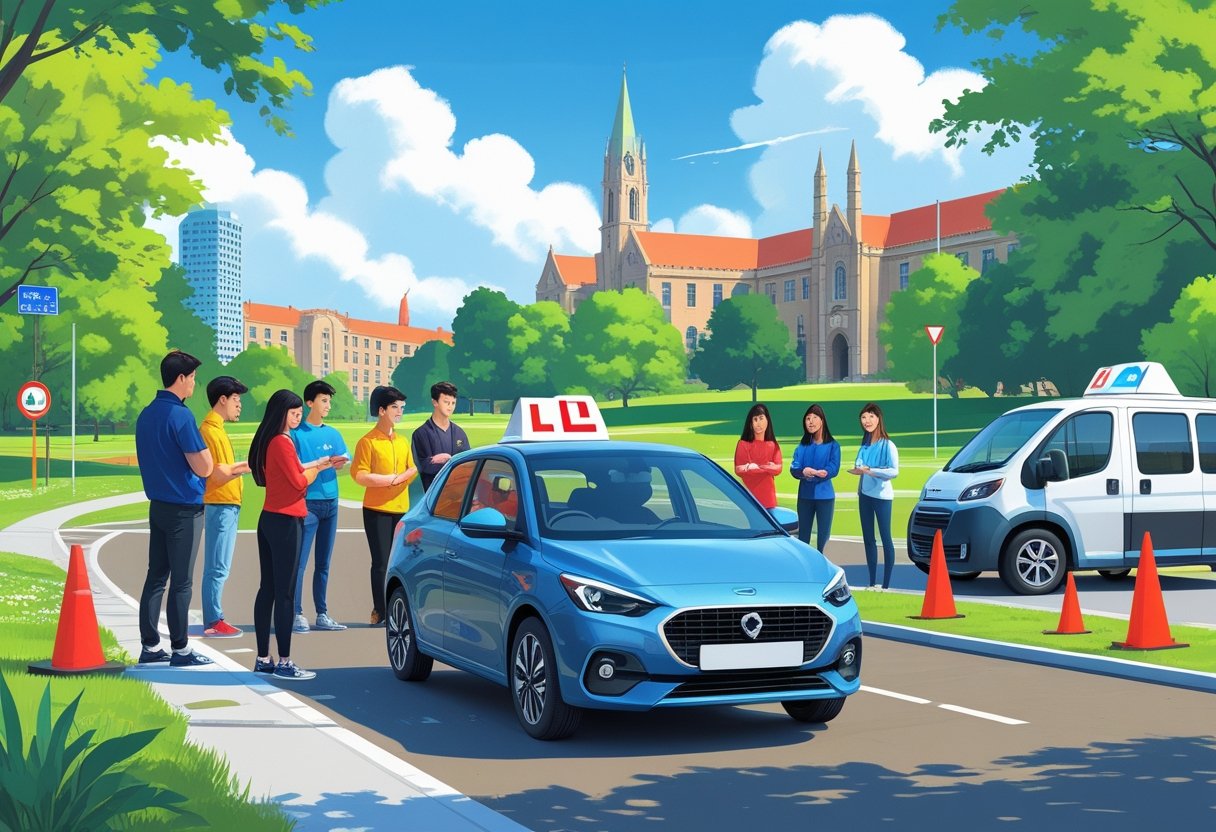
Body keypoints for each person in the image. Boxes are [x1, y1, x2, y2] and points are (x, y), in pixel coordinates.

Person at [134, 350, 214, 667]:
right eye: (192, 377)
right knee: (182, 582)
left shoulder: (146, 414)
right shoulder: (181, 416)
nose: (194, 383)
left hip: (158, 507)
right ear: (181, 378)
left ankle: (150, 645)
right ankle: (180, 649)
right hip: (184, 509)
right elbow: (204, 466)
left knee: (156, 577)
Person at [248, 389, 333, 680]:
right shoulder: (283, 442)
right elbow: (298, 481)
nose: (298, 418)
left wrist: (315, 464)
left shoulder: (271, 440)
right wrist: (317, 471)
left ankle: (263, 657)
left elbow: (292, 470)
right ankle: (284, 662)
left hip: (269, 519)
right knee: (285, 593)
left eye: (299, 413)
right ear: (281, 413)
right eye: (294, 413)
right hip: (287, 521)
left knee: (268, 589)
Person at [351, 385, 417, 626]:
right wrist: (390, 480)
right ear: (381, 410)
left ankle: (397, 608)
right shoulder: (367, 442)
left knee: (398, 562)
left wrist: (402, 478)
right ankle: (380, 610)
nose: (399, 412)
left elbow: (412, 469)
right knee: (380, 562)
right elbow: (359, 475)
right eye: (394, 407)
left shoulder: (402, 441)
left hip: (401, 509)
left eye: (402, 408)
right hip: (376, 509)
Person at [291, 380, 350, 633]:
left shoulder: (333, 433)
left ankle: (322, 613)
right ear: (309, 403)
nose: (328, 405)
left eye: (329, 401)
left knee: (323, 563)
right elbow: (295, 468)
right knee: (300, 563)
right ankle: (296, 613)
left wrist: (339, 462)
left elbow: (345, 460)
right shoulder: (297, 434)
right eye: (324, 400)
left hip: (331, 503)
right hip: (308, 504)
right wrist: (321, 463)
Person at [200, 375, 251, 638]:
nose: (239, 405)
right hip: (220, 504)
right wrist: (247, 466)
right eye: (235, 399)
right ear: (222, 399)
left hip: (227, 505)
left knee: (220, 566)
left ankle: (214, 617)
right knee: (217, 566)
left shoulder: (218, 429)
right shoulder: (209, 431)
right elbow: (217, 473)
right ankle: (213, 619)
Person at [849, 402, 900, 590]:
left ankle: (887, 584)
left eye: (871, 416)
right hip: (865, 495)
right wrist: (859, 471)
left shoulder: (888, 445)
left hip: (882, 497)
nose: (867, 421)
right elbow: (859, 465)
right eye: (863, 417)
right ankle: (871, 582)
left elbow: (894, 471)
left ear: (879, 419)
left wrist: (871, 471)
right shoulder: (864, 446)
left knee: (885, 537)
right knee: (868, 539)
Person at [789, 404, 840, 552]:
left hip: (825, 497)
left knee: (823, 539)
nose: (810, 422)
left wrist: (825, 472)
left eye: (814, 418)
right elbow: (794, 467)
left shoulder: (833, 445)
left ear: (822, 420)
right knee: (803, 537)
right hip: (805, 497)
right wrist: (803, 471)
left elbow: (834, 466)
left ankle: (823, 563)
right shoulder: (802, 446)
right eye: (807, 419)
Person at [412, 380, 471, 492]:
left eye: (453, 403)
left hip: (458, 494)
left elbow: (467, 464)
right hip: (434, 496)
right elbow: (423, 467)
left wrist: (444, 460)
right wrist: (453, 462)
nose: (450, 407)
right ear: (435, 402)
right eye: (446, 402)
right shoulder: (420, 434)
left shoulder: (460, 433)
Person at [733, 403, 782, 509]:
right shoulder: (743, 444)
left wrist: (757, 467)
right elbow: (738, 469)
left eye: (761, 418)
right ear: (751, 424)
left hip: (769, 498)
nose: (758, 423)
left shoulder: (773, 445)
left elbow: (778, 468)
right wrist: (751, 467)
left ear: (767, 420)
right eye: (755, 419)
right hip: (749, 497)